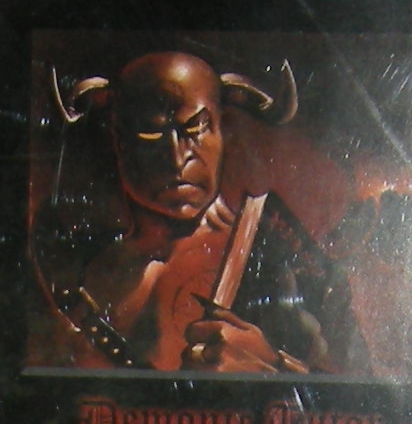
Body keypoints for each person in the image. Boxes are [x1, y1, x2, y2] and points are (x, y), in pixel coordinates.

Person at [31, 49, 355, 377]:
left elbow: (355, 390)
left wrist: (270, 367)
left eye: (196, 128)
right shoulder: (70, 258)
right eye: (150, 132)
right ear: (118, 139)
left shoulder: (276, 254)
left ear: (222, 131)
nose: (176, 158)